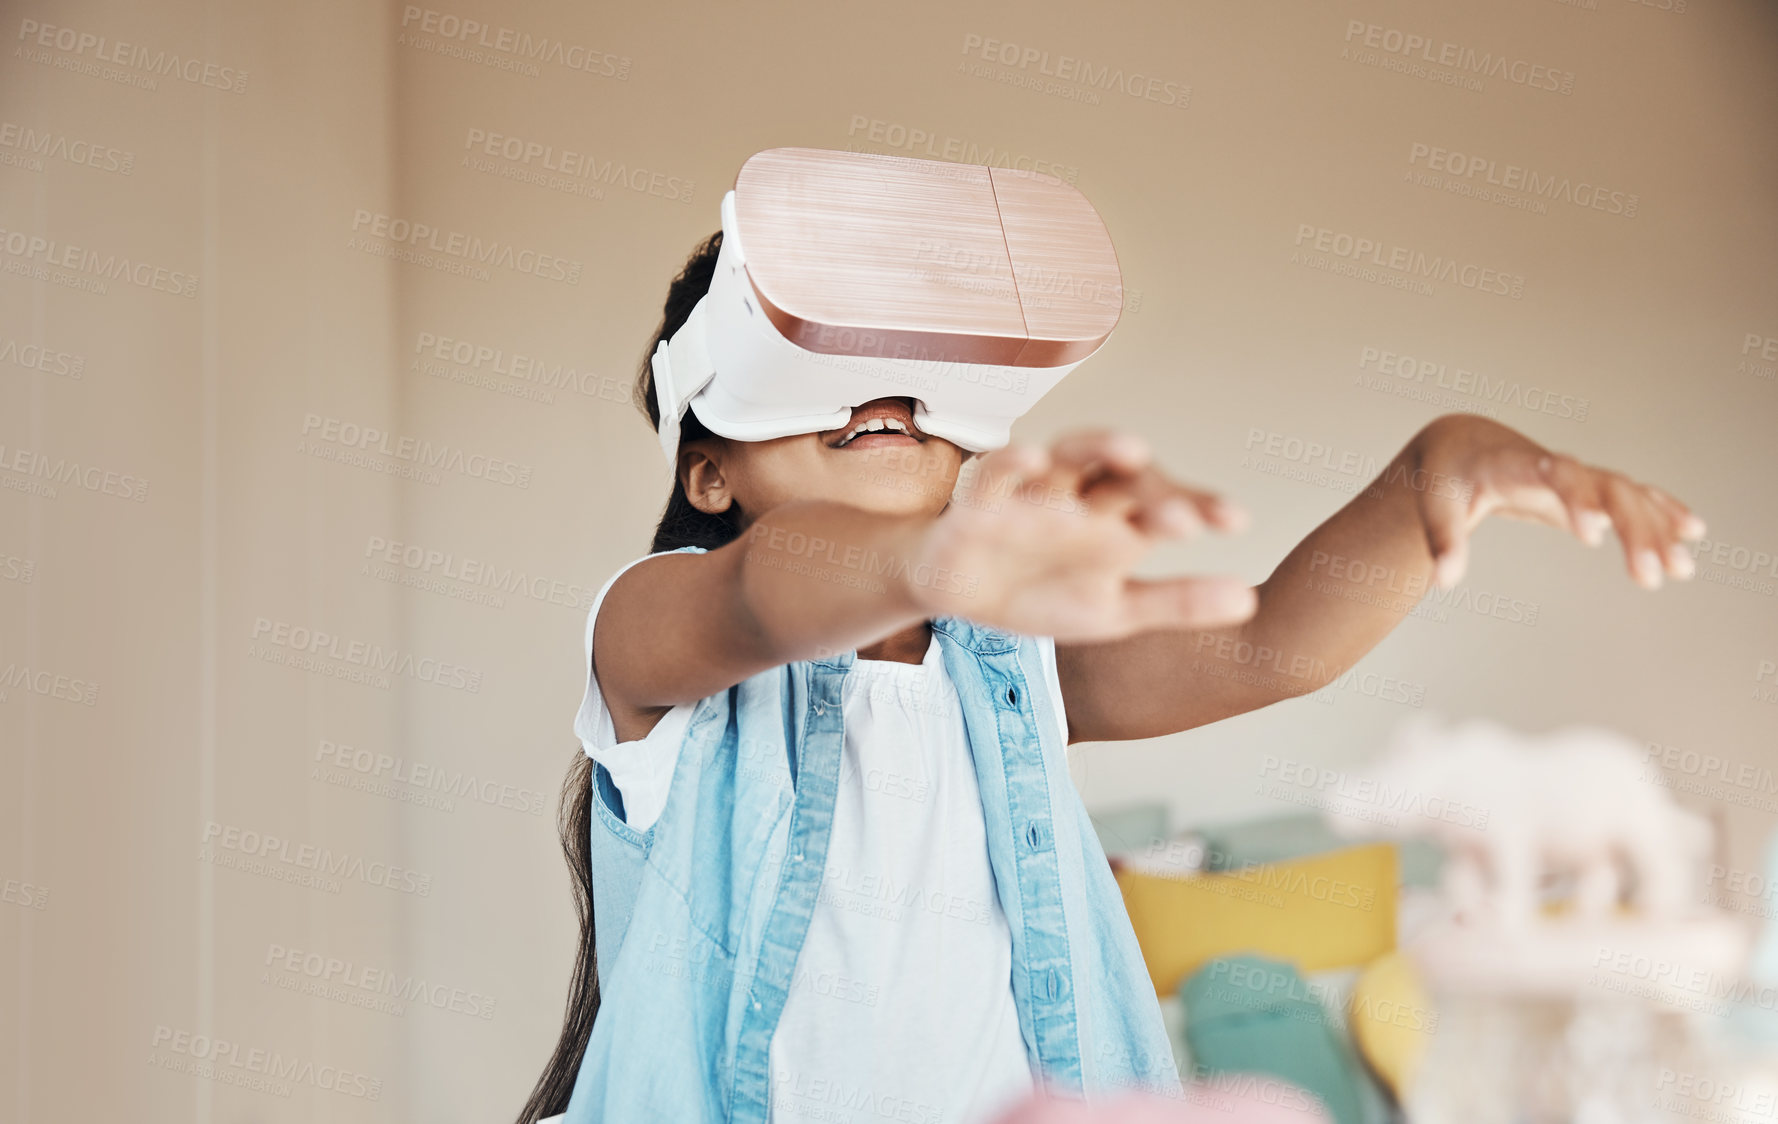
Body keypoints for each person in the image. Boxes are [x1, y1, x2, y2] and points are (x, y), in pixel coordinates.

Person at [514, 230, 1705, 1124]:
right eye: (815, 348)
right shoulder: (653, 643)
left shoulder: (1014, 665)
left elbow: (1275, 642)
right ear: (709, 471)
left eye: (911, 355)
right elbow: (762, 588)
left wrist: (1431, 472)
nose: (877, 382)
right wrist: (935, 560)